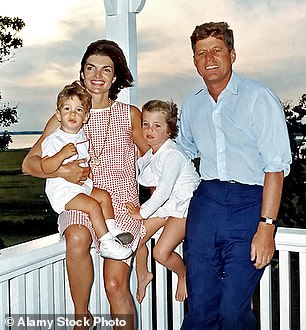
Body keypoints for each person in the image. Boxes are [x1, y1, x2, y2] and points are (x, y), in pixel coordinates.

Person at [22, 40, 149, 330]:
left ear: (115, 77)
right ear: (81, 73)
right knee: (77, 236)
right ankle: (82, 316)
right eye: (90, 67)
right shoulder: (65, 115)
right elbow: (29, 164)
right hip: (81, 195)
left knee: (115, 284)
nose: (98, 75)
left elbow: (155, 161)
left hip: (120, 204)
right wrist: (62, 171)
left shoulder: (129, 114)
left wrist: (162, 206)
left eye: (106, 69)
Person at [176, 22, 292, 329]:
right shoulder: (193, 102)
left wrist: (267, 227)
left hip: (249, 205)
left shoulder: (258, 97)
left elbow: (275, 166)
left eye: (217, 49)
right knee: (200, 309)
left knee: (232, 312)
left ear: (232, 54)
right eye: (201, 52)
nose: (209, 57)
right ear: (194, 61)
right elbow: (181, 152)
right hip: (206, 205)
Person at [41, 80, 133, 260]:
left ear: (85, 117)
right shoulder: (55, 140)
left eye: (78, 110)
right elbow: (45, 167)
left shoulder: (81, 134)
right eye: (67, 109)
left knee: (103, 196)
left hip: (81, 187)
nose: (72, 114)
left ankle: (112, 230)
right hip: (63, 192)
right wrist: (60, 155)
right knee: (92, 205)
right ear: (58, 115)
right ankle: (107, 244)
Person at [126, 100, 200, 304]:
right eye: (145, 124)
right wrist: (135, 160)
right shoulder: (153, 153)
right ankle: (143, 274)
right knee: (135, 238)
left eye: (157, 125)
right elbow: (145, 179)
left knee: (160, 252)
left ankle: (183, 273)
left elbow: (163, 192)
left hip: (183, 208)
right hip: (166, 207)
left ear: (169, 131)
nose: (149, 130)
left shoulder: (173, 154)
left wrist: (141, 213)